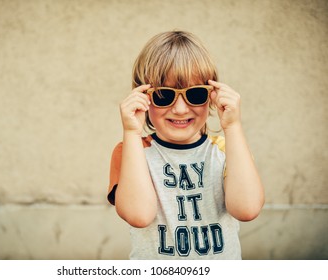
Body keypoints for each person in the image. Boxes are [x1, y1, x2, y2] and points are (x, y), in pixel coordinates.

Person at [107, 31, 264, 259]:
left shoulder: (228, 149)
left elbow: (247, 209)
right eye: (163, 95)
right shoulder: (132, 152)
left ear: (212, 96)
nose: (180, 109)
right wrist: (132, 131)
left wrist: (233, 127)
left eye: (195, 94)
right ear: (143, 97)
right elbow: (138, 215)